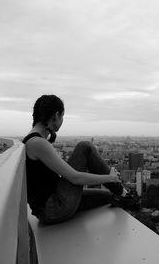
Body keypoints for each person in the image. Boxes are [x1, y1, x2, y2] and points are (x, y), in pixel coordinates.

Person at [23, 94, 137, 224]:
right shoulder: (37, 143)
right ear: (56, 115)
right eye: (62, 116)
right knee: (85, 147)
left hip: (51, 206)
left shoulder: (30, 140)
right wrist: (110, 178)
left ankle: (122, 194)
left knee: (110, 197)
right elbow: (74, 177)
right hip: (54, 208)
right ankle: (122, 191)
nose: (62, 120)